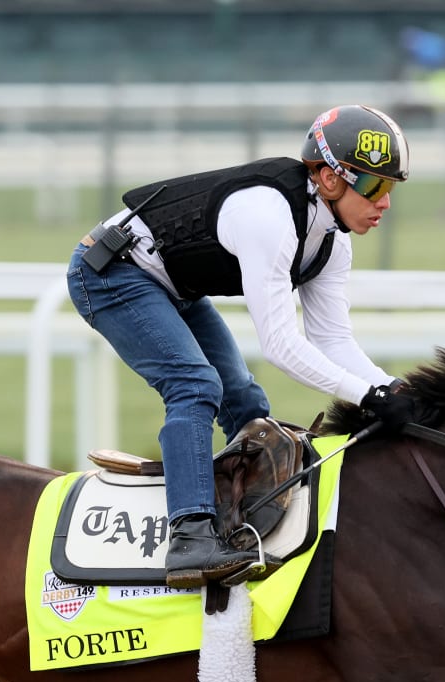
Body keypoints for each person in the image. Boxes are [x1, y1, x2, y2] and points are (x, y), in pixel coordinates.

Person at [67, 103, 411, 588]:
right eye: (375, 186)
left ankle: (240, 519)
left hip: (167, 284)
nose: (386, 203)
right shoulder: (268, 216)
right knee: (195, 385)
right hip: (109, 274)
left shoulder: (333, 240)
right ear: (330, 179)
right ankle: (189, 538)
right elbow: (279, 344)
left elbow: (331, 340)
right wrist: (367, 397)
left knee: (247, 404)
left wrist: (390, 389)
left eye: (392, 188)